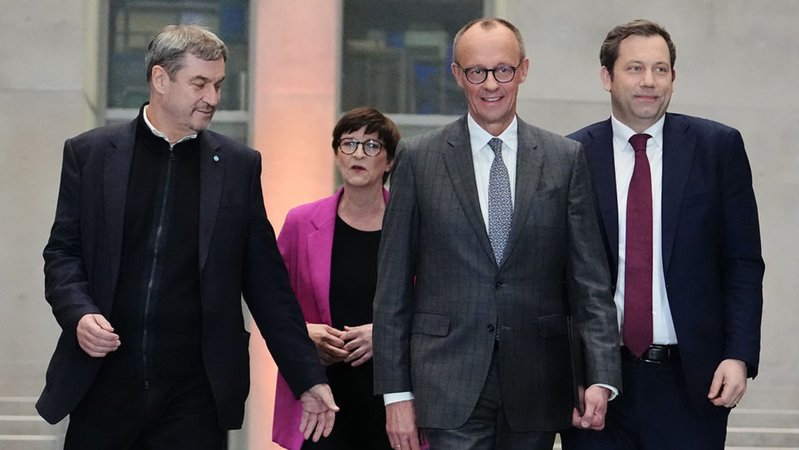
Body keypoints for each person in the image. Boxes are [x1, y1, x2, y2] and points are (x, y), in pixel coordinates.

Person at [37, 24, 338, 449]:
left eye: (217, 85)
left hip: (195, 395)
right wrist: (80, 313)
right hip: (103, 384)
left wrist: (308, 379)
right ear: (161, 79)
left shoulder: (237, 166)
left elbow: (269, 287)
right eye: (199, 83)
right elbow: (63, 253)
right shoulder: (91, 154)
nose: (213, 98)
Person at [372, 18, 621, 450]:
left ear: (523, 70)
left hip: (540, 383)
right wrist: (396, 395)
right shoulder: (418, 159)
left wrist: (600, 374)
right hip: (446, 383)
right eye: (476, 72)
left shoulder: (565, 159)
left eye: (503, 70)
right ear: (456, 74)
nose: (491, 84)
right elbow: (392, 288)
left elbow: (590, 284)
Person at [560, 19, 764, 450]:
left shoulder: (718, 148)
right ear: (607, 77)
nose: (649, 82)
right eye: (634, 68)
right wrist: (568, 375)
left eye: (661, 69)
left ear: (673, 77)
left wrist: (739, 355)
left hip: (692, 382)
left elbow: (742, 263)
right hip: (598, 384)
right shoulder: (570, 156)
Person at [272, 107, 399, 449]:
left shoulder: (411, 226)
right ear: (336, 154)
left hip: (393, 396)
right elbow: (272, 299)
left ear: (388, 162)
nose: (358, 154)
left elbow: (437, 307)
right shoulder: (301, 222)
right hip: (321, 393)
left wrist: (385, 335)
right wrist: (304, 331)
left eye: (372, 146)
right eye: (348, 144)